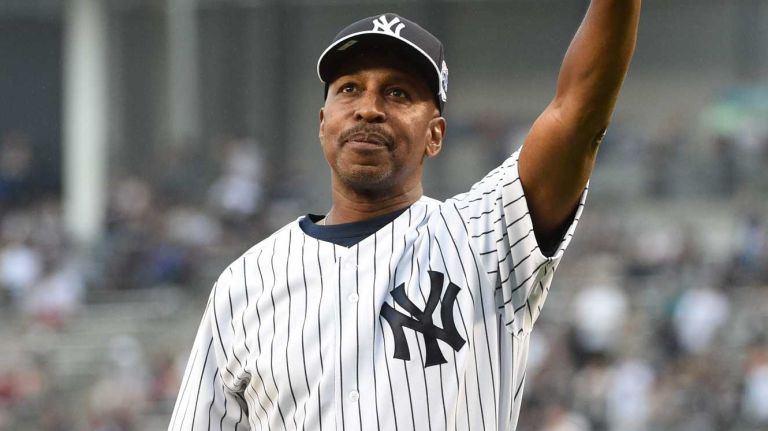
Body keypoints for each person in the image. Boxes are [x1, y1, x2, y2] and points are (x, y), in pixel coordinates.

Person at [169, 2, 641, 430]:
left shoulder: (487, 236)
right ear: (322, 123)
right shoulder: (245, 284)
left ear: (435, 135)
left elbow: (579, 112)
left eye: (397, 94)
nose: (369, 109)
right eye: (350, 89)